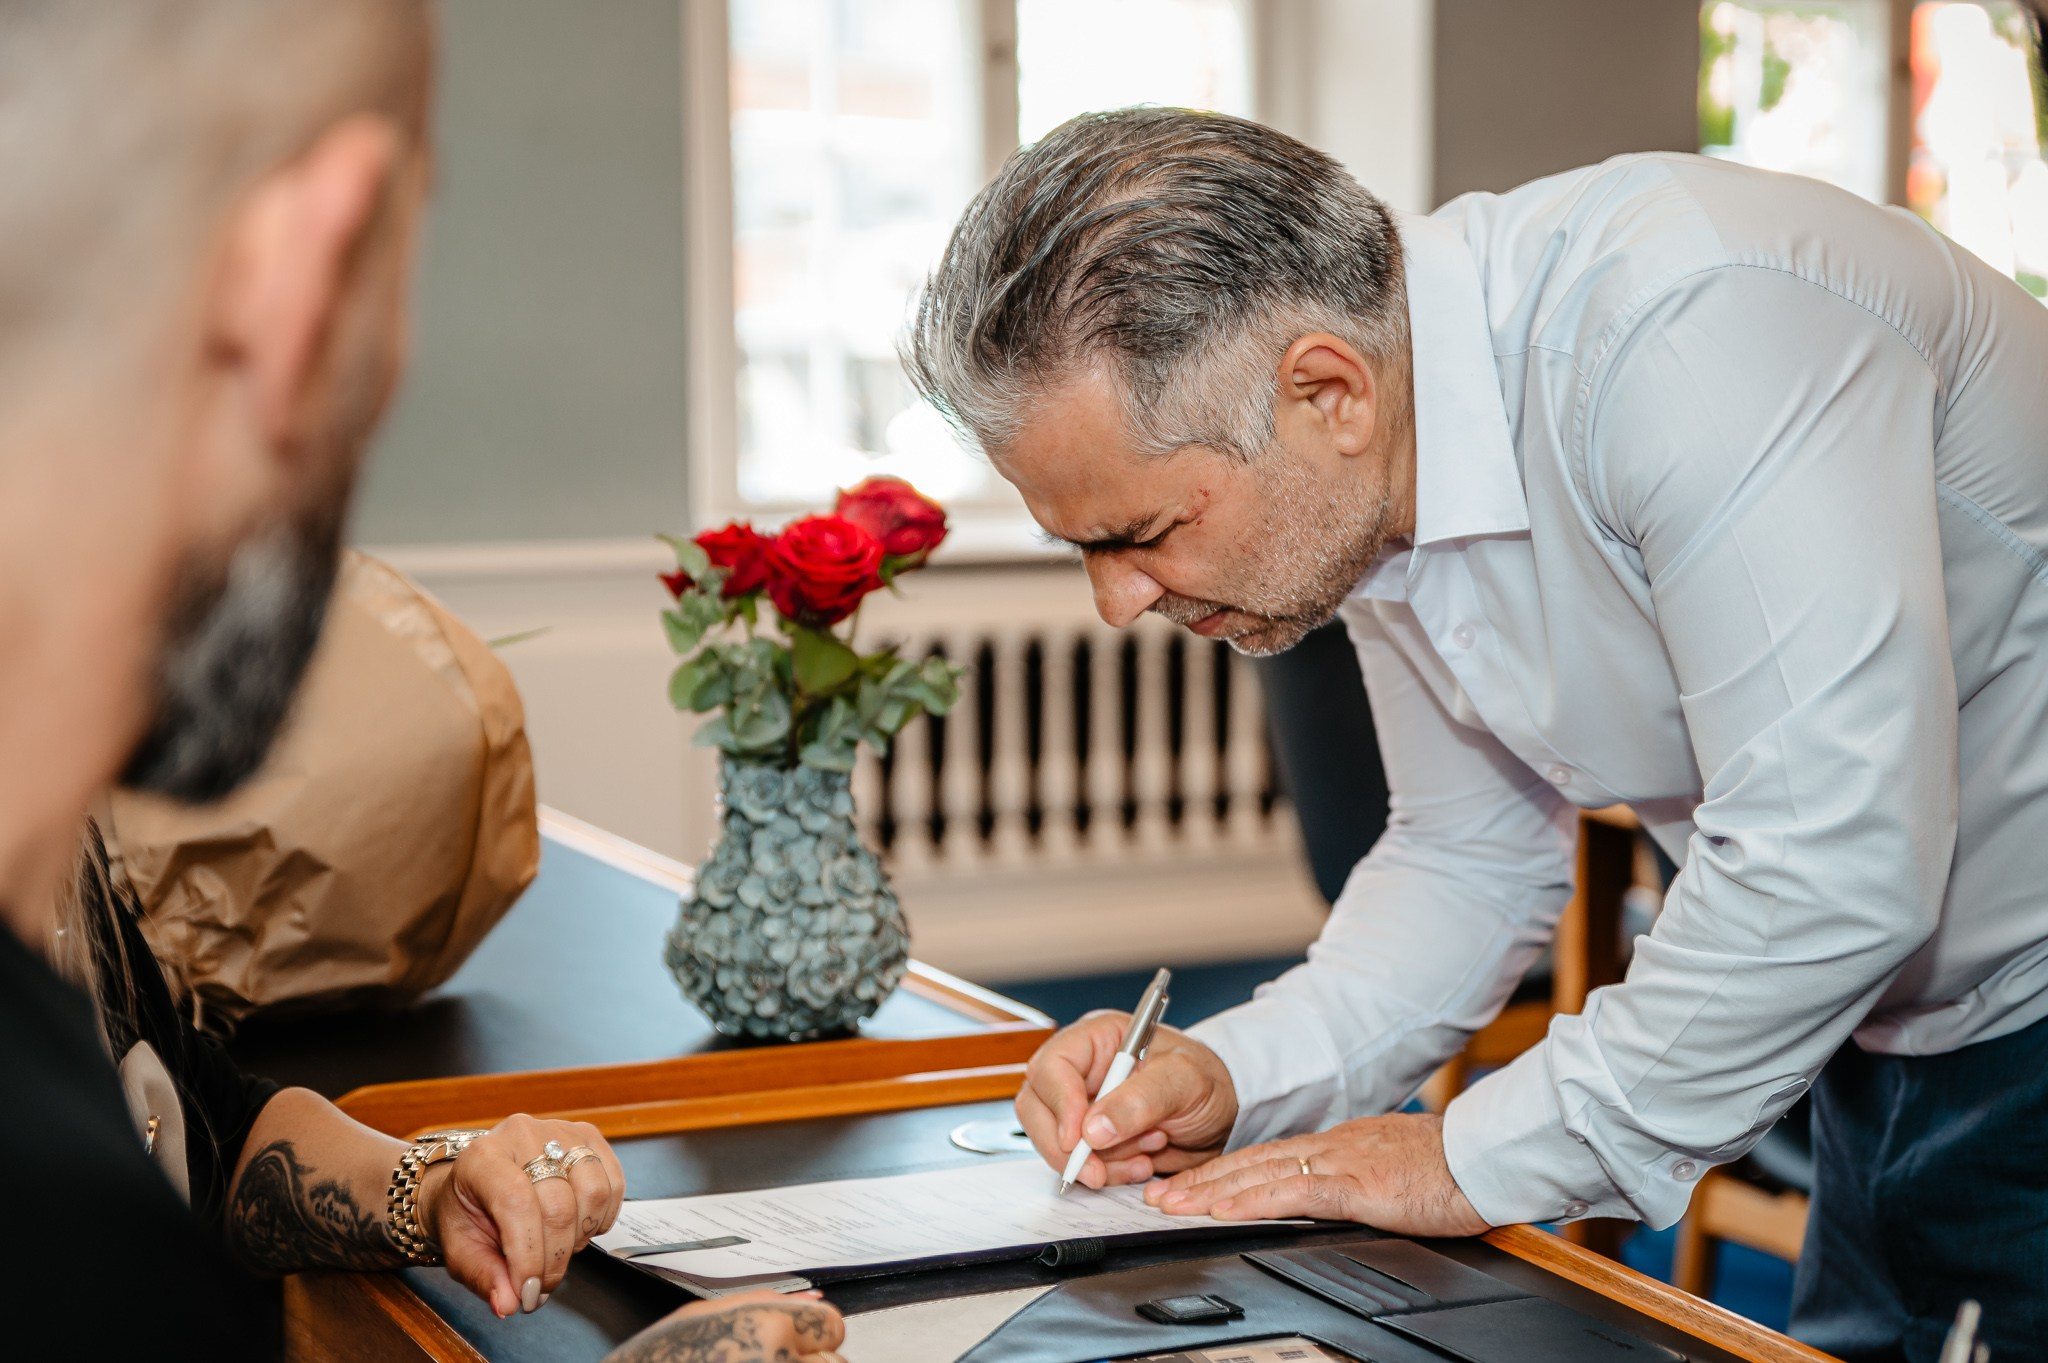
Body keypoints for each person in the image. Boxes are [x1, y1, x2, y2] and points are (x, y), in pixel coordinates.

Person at [906, 108, 2048, 1361]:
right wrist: (1231, 1073)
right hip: (1881, 1020)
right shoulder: (1368, 458)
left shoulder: (1686, 330)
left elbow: (1828, 856)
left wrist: (1462, 1157)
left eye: (1139, 534)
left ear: (1325, 392)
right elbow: (1466, 856)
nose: (1116, 603)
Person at [0, 3, 843, 1359]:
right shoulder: (67, 1242)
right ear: (302, 275)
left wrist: (432, 1184)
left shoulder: (58, 870)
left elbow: (204, 1122)